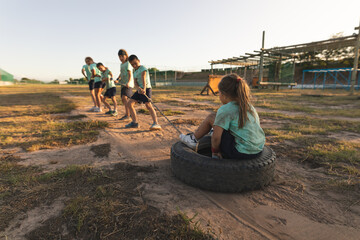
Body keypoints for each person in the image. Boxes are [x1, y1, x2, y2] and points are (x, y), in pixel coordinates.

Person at [180, 74, 265, 159]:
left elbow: (216, 138)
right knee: (222, 125)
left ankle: (193, 139)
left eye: (219, 92)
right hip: (257, 150)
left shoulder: (225, 109)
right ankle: (213, 131)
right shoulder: (249, 106)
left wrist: (215, 152)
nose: (219, 95)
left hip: (239, 152)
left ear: (224, 94)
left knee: (211, 118)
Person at [125, 55, 161, 130]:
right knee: (129, 103)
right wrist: (138, 88)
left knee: (148, 105)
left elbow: (143, 78)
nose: (134, 65)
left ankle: (156, 123)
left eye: (135, 63)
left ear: (139, 61)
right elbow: (135, 83)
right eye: (132, 64)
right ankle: (134, 122)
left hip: (146, 88)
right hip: (139, 90)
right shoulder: (134, 72)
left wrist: (143, 88)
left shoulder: (143, 68)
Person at [117, 49, 134, 120]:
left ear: (126, 56)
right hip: (123, 84)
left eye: (122, 56)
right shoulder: (121, 64)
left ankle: (128, 115)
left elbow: (130, 73)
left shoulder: (128, 63)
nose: (121, 58)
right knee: (124, 99)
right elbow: (121, 73)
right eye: (119, 57)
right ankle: (128, 114)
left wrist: (128, 82)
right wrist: (117, 79)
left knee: (124, 98)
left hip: (128, 84)